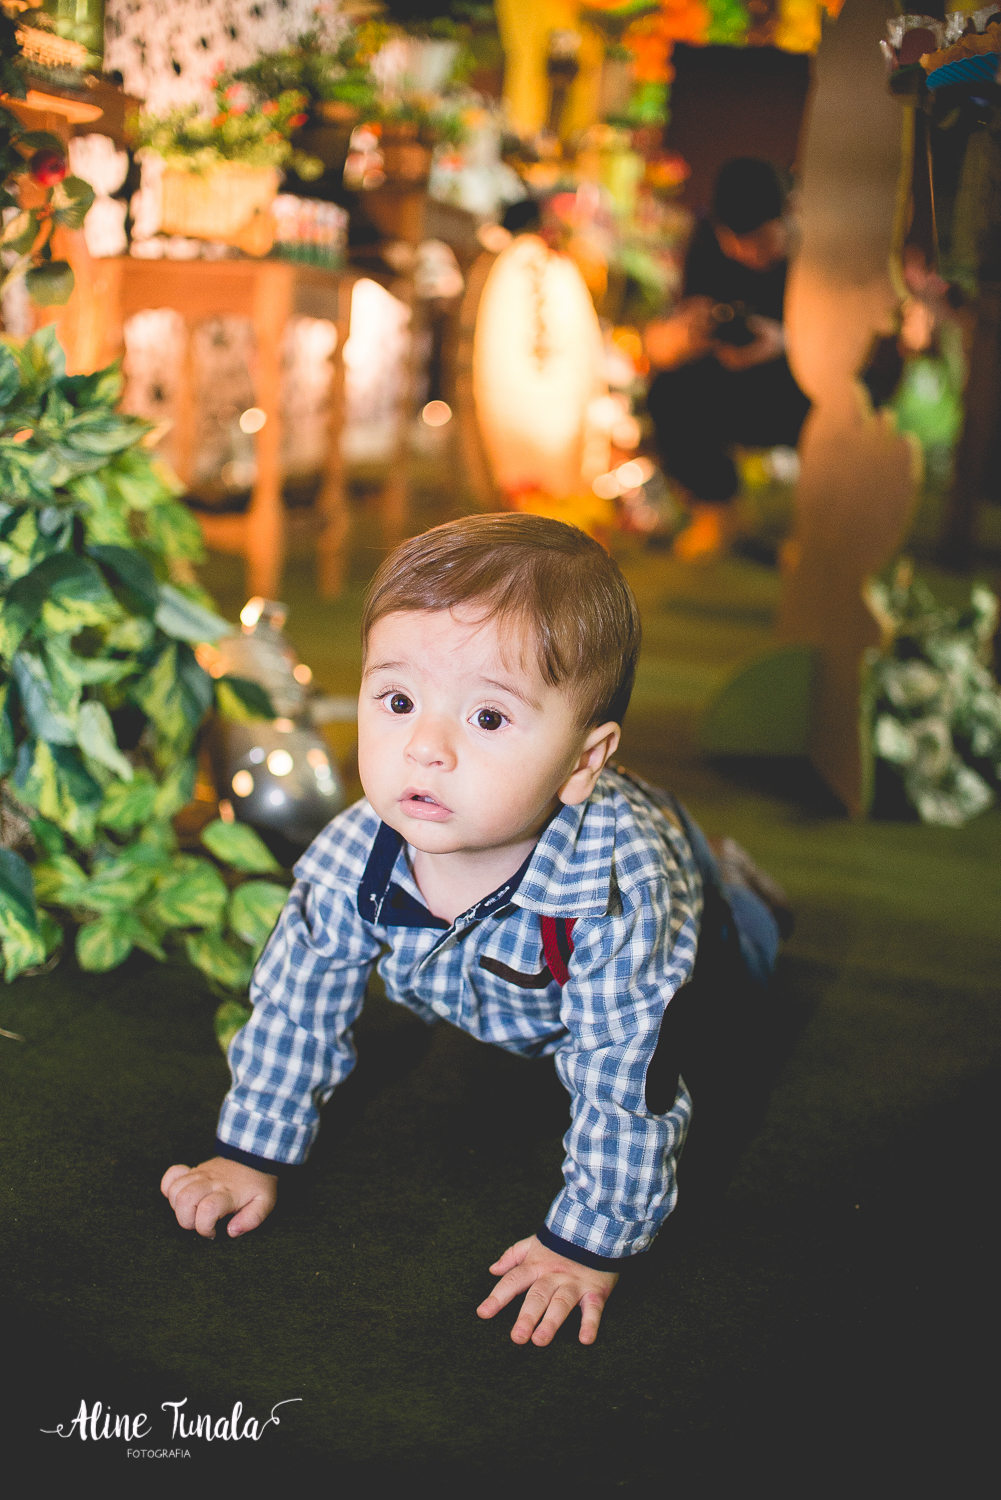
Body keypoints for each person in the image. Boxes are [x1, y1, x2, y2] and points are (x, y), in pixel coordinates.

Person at [162, 514, 789, 1347]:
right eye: (396, 700)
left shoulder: (616, 899)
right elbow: (293, 1004)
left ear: (580, 762)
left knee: (741, 969)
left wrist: (586, 1245)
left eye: (487, 719)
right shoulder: (355, 851)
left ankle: (746, 889)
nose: (424, 747)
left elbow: (628, 1081)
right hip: (500, 971)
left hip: (686, 920)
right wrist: (251, 1150)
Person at [645, 157, 812, 561]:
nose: (746, 254)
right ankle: (718, 510)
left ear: (789, 214)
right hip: (731, 374)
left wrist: (787, 341)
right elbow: (685, 313)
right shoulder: (705, 240)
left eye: (761, 242)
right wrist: (691, 332)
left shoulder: (820, 247)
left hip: (800, 379)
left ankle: (815, 531)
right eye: (734, 243)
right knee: (668, 392)